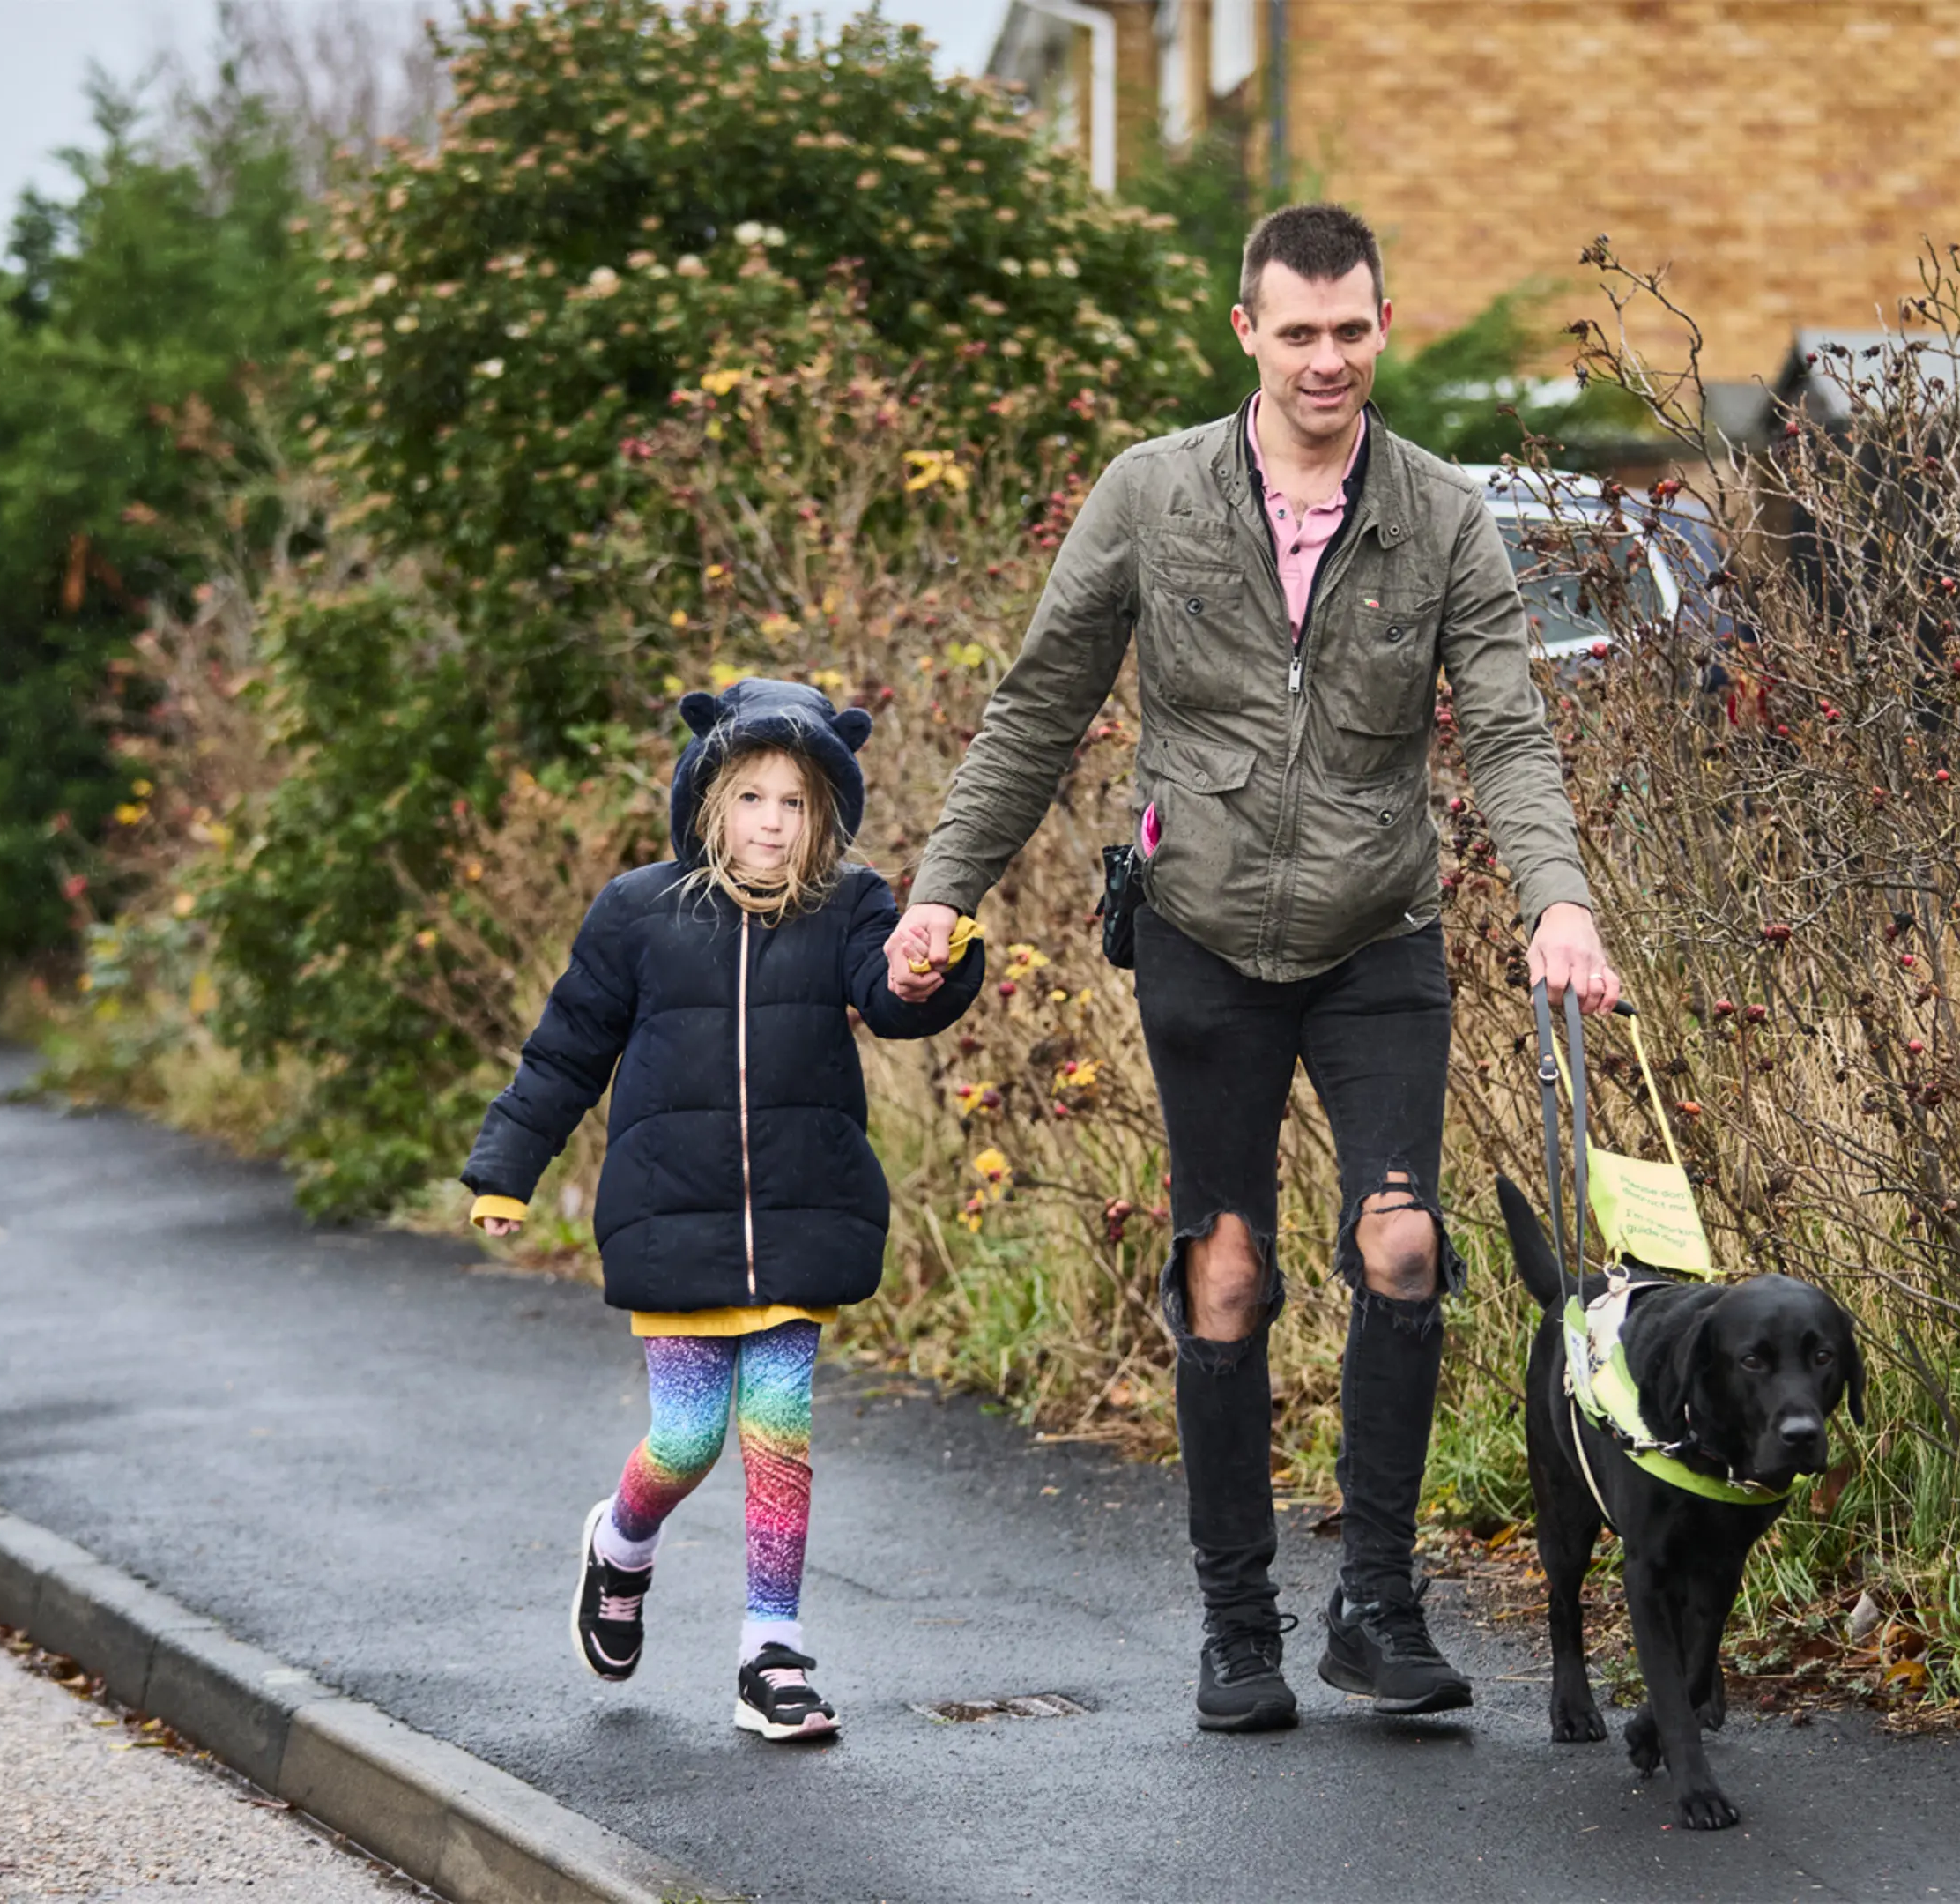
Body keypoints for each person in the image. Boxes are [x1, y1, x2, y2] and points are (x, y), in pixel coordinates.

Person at [884, 203, 1621, 1734]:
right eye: (1299, 332)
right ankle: (1238, 1627)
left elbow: (1507, 727)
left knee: (1403, 1246)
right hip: (1203, 937)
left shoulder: (1436, 518)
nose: (1328, 358)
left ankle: (1378, 1602)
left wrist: (1558, 898)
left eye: (1352, 330)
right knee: (1224, 1274)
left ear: (1383, 326)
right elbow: (1038, 706)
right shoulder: (1152, 497)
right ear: (1248, 337)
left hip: (1379, 940)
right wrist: (942, 893)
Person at [462, 677, 984, 1742]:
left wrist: (940, 967)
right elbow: (567, 1051)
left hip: (804, 1215)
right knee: (689, 1437)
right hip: (677, 1219)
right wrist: (506, 1167)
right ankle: (621, 1544)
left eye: (795, 804)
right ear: (709, 800)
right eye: (752, 797)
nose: (772, 823)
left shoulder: (852, 907)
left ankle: (770, 1652)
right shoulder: (639, 912)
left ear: (823, 819)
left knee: (778, 1434)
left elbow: (892, 998)